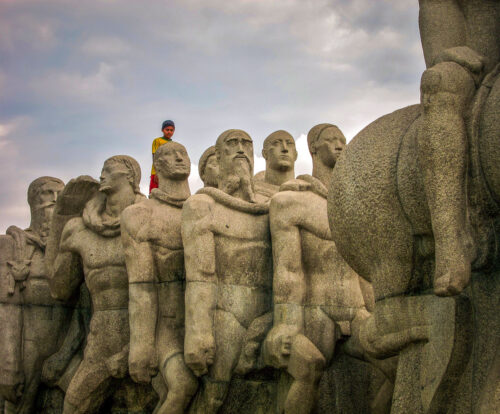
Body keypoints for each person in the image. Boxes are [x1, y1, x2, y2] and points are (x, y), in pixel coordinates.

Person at [122, 142, 198, 414]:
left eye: (184, 153)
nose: (179, 157)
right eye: (169, 153)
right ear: (158, 164)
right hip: (166, 329)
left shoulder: (203, 207)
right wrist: (141, 345)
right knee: (182, 386)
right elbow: (141, 288)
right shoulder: (141, 215)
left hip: (202, 325)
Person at [150, 120, 175, 193]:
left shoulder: (173, 144)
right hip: (156, 172)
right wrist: (157, 173)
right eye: (167, 130)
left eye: (171, 130)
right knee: (154, 192)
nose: (169, 132)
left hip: (168, 172)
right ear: (162, 130)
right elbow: (155, 157)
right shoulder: (157, 141)